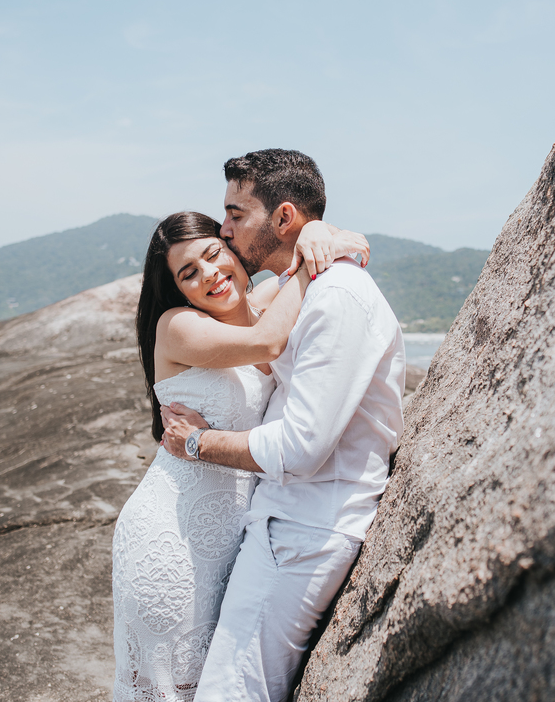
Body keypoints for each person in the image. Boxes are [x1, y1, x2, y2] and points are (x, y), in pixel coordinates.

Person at [160, 149, 406, 702]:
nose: (224, 231)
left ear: (284, 218)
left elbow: (301, 446)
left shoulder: (336, 297)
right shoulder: (308, 290)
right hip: (283, 523)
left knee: (230, 693)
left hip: (304, 529)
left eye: (235, 214)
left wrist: (196, 441)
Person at [112, 209, 367, 702]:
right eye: (189, 273)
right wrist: (313, 256)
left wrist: (314, 233)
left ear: (231, 249)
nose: (209, 274)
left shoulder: (260, 302)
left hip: (234, 534)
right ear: (179, 290)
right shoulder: (178, 326)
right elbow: (266, 341)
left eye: (213, 254)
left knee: (218, 681)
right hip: (171, 534)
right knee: (175, 688)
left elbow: (307, 257)